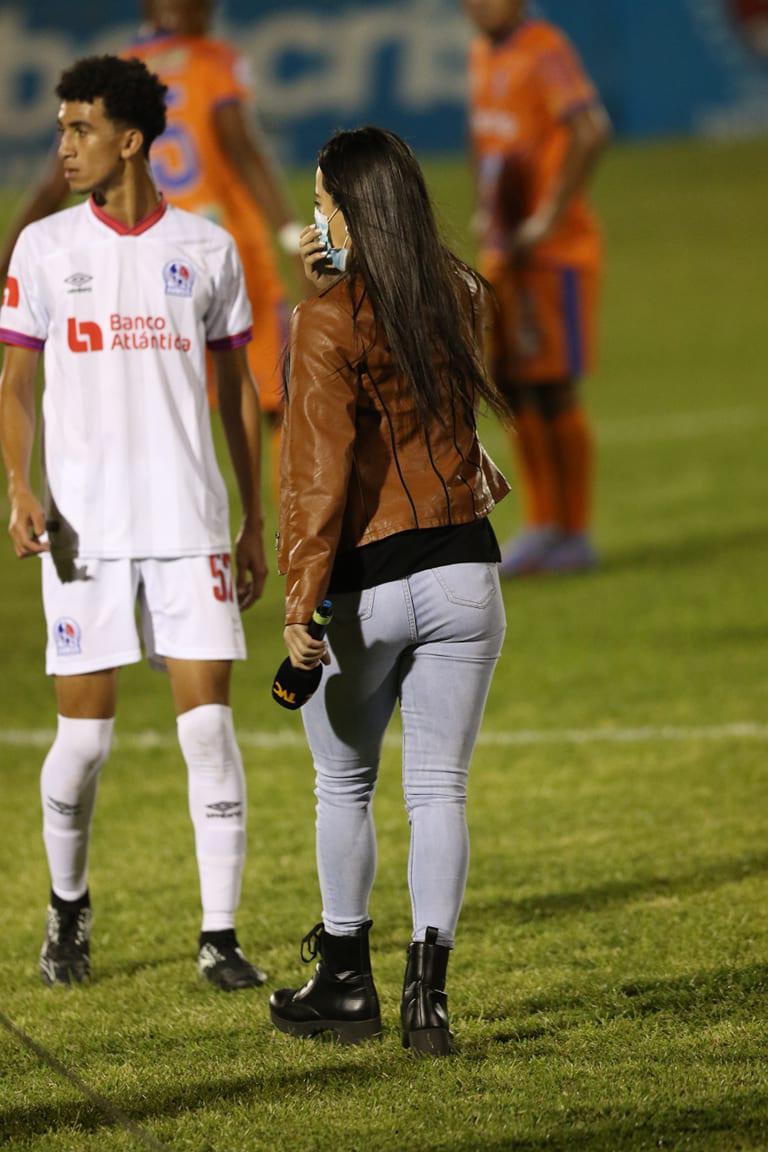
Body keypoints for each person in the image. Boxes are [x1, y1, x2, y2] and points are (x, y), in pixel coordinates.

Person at [0, 54, 268, 992]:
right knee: (86, 743)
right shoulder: (42, 249)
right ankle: (68, 908)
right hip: (84, 537)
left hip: (190, 525)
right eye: (61, 128)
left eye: (79, 129)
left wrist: (253, 518)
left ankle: (220, 935)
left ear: (131, 141)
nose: (63, 146)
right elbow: (16, 382)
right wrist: (20, 488)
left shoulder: (206, 249)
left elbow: (238, 394)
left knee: (209, 734)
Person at [269, 127, 512, 1056]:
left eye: (323, 199)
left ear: (346, 213)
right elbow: (417, 294)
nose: (315, 213)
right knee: (441, 788)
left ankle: (344, 983)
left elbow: (318, 477)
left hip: (368, 587)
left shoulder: (325, 320)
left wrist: (301, 604)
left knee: (343, 782)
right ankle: (429, 999)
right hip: (465, 574)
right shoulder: (459, 293)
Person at [0, 0, 303, 500]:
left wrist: (8, 254)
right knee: (277, 399)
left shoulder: (120, 71)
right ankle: (293, 530)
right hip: (229, 254)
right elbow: (241, 147)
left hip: (147, 260)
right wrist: (293, 237)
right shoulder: (213, 60)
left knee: (150, 408)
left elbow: (56, 179)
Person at [464, 0, 611, 575]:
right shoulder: (482, 55)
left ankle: (574, 532)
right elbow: (488, 145)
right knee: (514, 387)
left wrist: (549, 216)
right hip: (507, 252)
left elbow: (590, 128)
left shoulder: (544, 49)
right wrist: (486, 213)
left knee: (552, 386)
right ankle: (543, 527)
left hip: (554, 254)